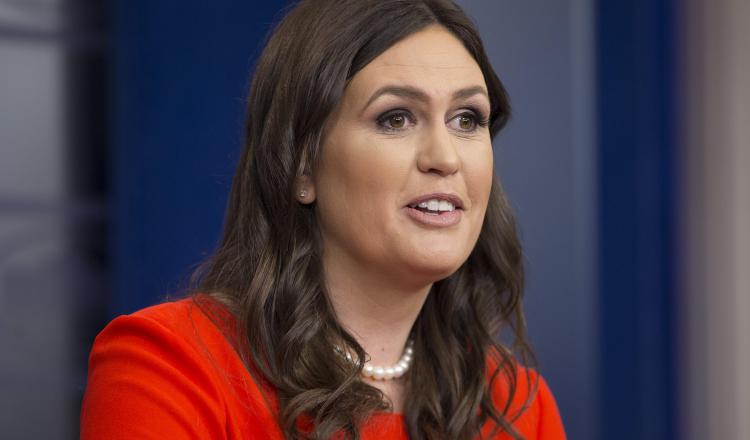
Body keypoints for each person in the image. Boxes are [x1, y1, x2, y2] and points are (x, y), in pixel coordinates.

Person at [80, 0, 566, 438]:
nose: (445, 157)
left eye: (467, 119)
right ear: (301, 166)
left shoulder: (517, 406)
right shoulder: (169, 367)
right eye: (395, 117)